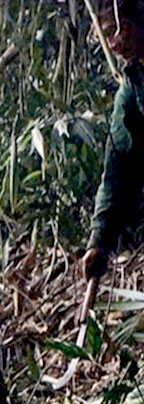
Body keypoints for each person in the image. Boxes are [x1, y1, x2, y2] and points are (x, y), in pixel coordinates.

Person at [86, 0, 144, 280]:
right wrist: (99, 242)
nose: (113, 45)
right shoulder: (133, 87)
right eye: (104, 37)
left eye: (114, 32)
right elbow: (118, 166)